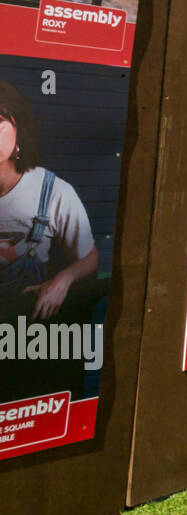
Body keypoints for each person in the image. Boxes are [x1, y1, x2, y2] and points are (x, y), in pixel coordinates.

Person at [0, 79, 100, 404]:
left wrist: (63, 280)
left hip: (24, 337)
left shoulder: (52, 192)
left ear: (18, 129)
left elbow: (89, 257)